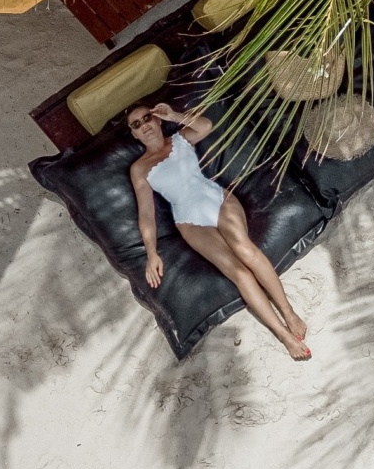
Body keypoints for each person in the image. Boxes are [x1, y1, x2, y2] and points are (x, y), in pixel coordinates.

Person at [126, 101, 310, 360]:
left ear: (156, 118)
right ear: (134, 134)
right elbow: (146, 214)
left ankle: (288, 313)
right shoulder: (139, 169)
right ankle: (283, 335)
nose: (144, 125)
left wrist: (174, 115)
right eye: (136, 125)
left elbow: (205, 126)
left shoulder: (180, 139)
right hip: (189, 219)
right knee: (238, 273)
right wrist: (151, 253)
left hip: (216, 199)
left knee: (245, 250)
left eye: (147, 118)